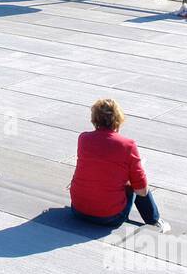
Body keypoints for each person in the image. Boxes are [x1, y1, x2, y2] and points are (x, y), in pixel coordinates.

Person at [69, 98, 168, 230]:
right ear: (118, 119)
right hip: (110, 217)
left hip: (78, 210)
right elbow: (142, 191)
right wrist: (139, 170)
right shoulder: (127, 145)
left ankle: (154, 220)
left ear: (94, 119)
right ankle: (154, 220)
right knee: (136, 180)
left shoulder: (83, 139)